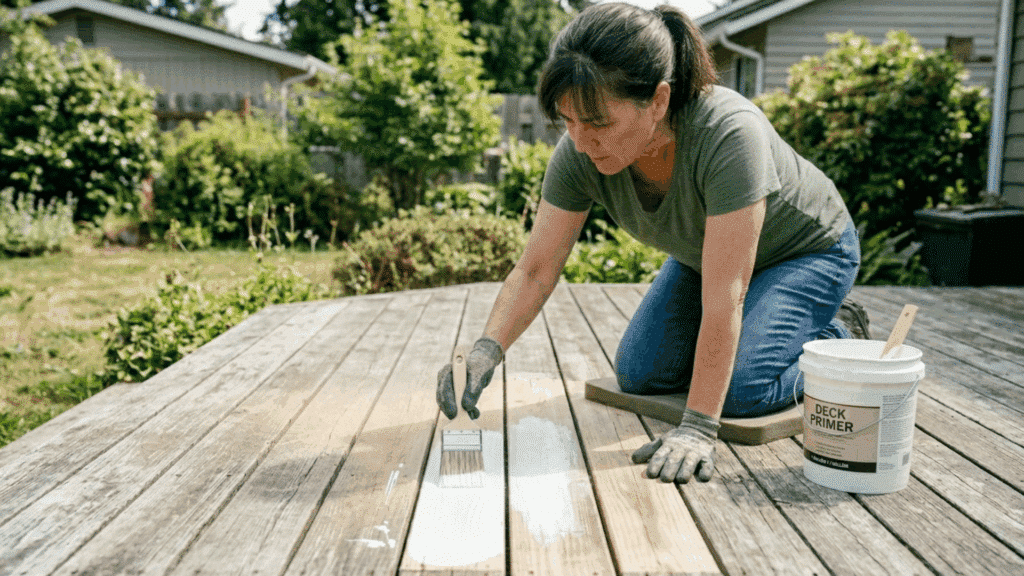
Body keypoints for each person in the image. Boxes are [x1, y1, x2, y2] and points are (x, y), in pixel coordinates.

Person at [436, 2, 870, 484]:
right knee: (640, 373)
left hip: (808, 253)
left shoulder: (729, 133)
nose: (580, 142)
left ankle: (839, 335)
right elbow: (537, 268)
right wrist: (485, 349)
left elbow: (727, 295)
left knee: (743, 393)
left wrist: (699, 427)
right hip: (705, 255)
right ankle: (768, 337)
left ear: (658, 101)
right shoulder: (579, 151)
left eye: (598, 123)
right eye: (567, 121)